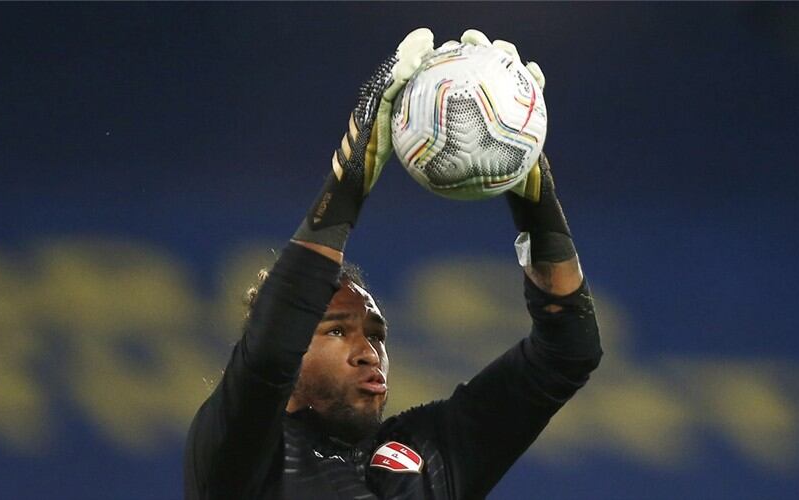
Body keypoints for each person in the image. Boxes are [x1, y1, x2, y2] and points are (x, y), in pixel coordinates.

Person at [184, 28, 602, 500]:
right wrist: (354, 169)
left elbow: (568, 353)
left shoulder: (431, 454)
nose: (368, 352)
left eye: (376, 334)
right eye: (337, 330)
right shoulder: (238, 456)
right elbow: (269, 351)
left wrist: (535, 198)